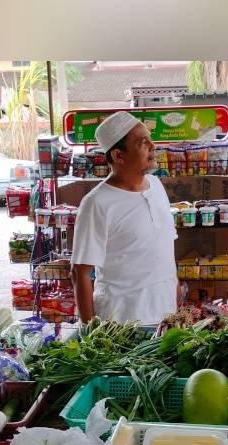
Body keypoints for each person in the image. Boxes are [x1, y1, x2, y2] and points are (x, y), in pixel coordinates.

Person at [70, 111, 178, 325]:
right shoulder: (97, 203)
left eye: (150, 139)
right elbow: (80, 272)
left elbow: (165, 249)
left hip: (166, 317)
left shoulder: (156, 187)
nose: (153, 146)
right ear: (119, 156)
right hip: (121, 324)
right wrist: (92, 332)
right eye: (142, 142)